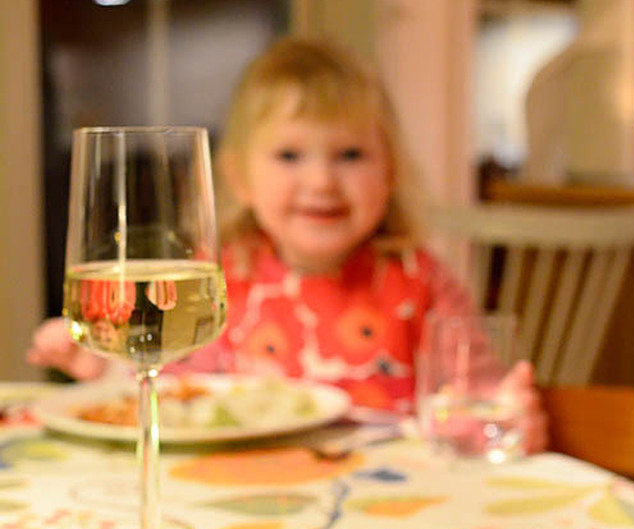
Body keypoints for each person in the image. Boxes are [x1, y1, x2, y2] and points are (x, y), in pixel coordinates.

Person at [27, 36, 547, 452]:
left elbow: (472, 408)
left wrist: (506, 414)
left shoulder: (422, 280)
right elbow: (178, 395)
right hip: (246, 502)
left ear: (389, 172)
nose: (321, 180)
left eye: (349, 154)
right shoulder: (220, 280)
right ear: (239, 178)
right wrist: (101, 367)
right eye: (290, 156)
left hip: (386, 508)